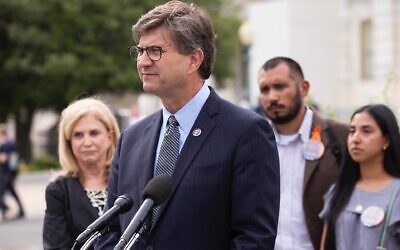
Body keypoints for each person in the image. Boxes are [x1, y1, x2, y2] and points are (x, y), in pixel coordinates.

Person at [96, 1, 280, 249]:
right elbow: (110, 230)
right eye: (140, 51)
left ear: (193, 60)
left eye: (155, 51)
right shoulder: (131, 138)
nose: (142, 62)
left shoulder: (246, 132)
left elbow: (254, 239)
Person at [256, 56, 348, 250]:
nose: (272, 97)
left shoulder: (339, 137)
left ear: (303, 88)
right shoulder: (254, 141)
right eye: (265, 89)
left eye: (280, 86)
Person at [43, 97, 120, 249]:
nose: (87, 142)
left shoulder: (128, 178)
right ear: (68, 141)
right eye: (78, 135)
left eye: (94, 133)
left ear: (110, 136)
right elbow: (56, 246)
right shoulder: (58, 191)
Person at [320, 104, 400, 250]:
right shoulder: (338, 191)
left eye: (366, 131)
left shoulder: (397, 192)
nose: (355, 139)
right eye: (352, 131)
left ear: (386, 140)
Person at [0, 125, 25, 221]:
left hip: (7, 173)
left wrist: (13, 174)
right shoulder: (6, 145)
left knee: (1, 193)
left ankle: (6, 209)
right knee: (12, 192)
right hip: (7, 173)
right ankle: (20, 210)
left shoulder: (8, 145)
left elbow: (5, 159)